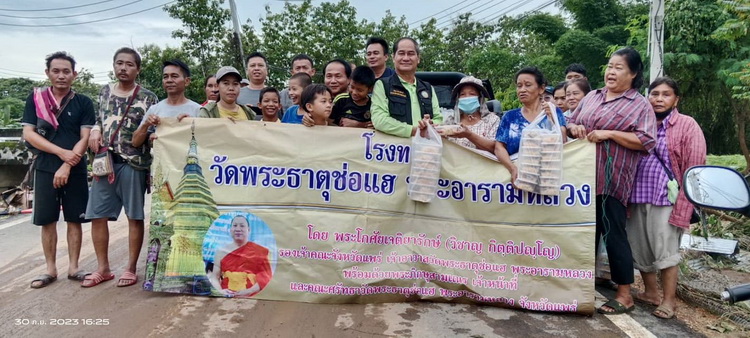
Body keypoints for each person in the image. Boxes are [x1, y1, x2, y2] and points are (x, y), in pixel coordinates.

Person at [566, 47, 657, 315]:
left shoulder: (638, 104)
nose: (611, 71)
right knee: (583, 234)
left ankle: (625, 293)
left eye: (618, 67)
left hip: (612, 181)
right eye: (609, 65)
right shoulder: (592, 96)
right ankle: (579, 286)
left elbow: (646, 141)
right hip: (581, 180)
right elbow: (569, 123)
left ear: (633, 73)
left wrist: (610, 134)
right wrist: (574, 128)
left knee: (614, 233)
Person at [628, 77, 705, 319]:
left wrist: (684, 206)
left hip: (666, 200)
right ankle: (651, 293)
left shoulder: (686, 125)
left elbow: (694, 169)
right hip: (636, 195)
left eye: (666, 94)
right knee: (641, 248)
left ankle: (669, 301)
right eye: (654, 94)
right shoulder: (640, 124)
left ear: (676, 99)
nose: (659, 99)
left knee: (666, 252)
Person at [85, 47, 159, 288]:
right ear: (114, 65)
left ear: (137, 69)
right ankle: (103, 268)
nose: (123, 68)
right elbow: (99, 119)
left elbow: (154, 130)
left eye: (129, 64)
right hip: (105, 162)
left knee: (134, 216)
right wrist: (96, 130)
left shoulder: (148, 98)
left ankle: (130, 268)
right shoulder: (104, 92)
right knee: (97, 215)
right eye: (119, 63)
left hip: (134, 162)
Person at [22, 52, 95, 288]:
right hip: (44, 167)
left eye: (66, 71)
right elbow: (29, 134)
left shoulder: (83, 102)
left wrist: (67, 163)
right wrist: (60, 153)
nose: (61, 76)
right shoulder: (36, 99)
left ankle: (74, 267)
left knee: (75, 218)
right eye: (56, 71)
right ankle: (50, 269)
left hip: (74, 168)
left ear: (74, 74)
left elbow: (85, 137)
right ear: (48, 73)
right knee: (47, 220)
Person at [494, 67, 567, 181]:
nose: (522, 90)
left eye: (527, 85)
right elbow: (499, 147)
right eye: (519, 86)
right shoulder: (510, 117)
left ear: (541, 88)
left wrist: (551, 118)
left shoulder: (554, 112)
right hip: (515, 180)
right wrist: (512, 168)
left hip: (547, 179)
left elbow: (562, 141)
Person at [371, 37, 443, 138]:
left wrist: (430, 124)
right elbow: (379, 120)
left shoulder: (428, 88)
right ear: (393, 57)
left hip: (425, 149)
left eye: (411, 53)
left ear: (418, 58)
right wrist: (413, 131)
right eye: (401, 53)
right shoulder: (382, 85)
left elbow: (439, 119)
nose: (405, 58)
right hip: (396, 150)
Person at [133, 59, 201, 148]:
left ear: (187, 81)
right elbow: (135, 143)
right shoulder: (154, 109)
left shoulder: (197, 110)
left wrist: (191, 125)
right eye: (165, 77)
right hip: (162, 160)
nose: (169, 80)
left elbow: (207, 141)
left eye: (174, 76)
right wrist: (146, 125)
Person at [207, 215, 272, 297]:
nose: (238, 229)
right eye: (235, 226)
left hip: (252, 296)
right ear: (230, 230)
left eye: (242, 226)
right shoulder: (221, 252)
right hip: (227, 296)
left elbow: (265, 278)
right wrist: (220, 291)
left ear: (248, 230)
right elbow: (215, 277)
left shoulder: (260, 251)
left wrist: (249, 291)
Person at [439, 76, 499, 153]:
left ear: (480, 98)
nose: (467, 97)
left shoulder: (492, 120)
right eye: (462, 94)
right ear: (458, 99)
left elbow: (495, 148)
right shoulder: (451, 121)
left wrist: (469, 135)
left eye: (472, 94)